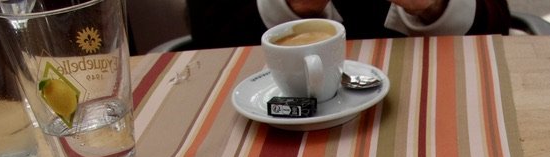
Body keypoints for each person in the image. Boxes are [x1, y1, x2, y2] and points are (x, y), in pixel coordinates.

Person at [188, 0, 510, 48]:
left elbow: (497, 21)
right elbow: (208, 34)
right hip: (273, 110)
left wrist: (434, 7)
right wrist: (289, 8)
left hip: (428, 104)